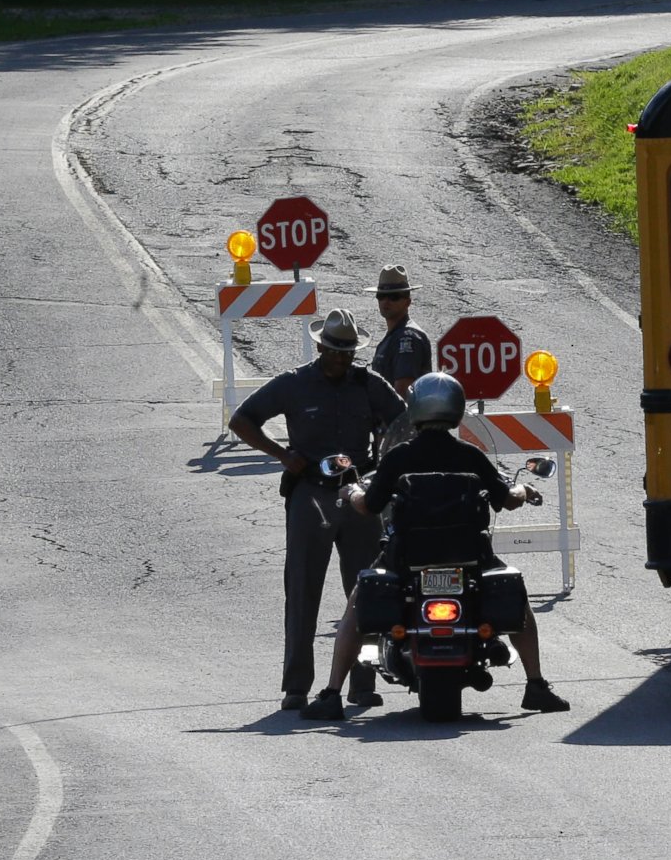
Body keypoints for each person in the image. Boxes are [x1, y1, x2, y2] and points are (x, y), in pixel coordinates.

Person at [300, 371, 570, 718]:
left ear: (415, 408)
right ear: (456, 409)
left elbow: (368, 506)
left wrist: (351, 490)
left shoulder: (399, 458)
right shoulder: (470, 456)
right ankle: (536, 684)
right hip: (470, 556)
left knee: (356, 603)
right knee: (519, 603)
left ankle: (332, 693)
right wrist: (524, 489)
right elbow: (507, 498)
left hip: (407, 556)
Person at [227, 309, 406, 712]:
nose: (344, 359)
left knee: (365, 591)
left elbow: (404, 423)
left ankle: (362, 684)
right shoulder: (293, 384)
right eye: (337, 351)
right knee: (303, 590)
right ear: (321, 346)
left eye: (350, 352)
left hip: (359, 493)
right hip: (310, 494)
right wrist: (281, 454)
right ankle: (296, 687)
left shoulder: (368, 384)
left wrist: (389, 467)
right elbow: (243, 420)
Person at [368, 264, 431, 398]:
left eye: (394, 296)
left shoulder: (407, 338)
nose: (386, 301)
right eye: (381, 296)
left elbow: (403, 393)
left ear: (408, 302)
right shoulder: (394, 335)